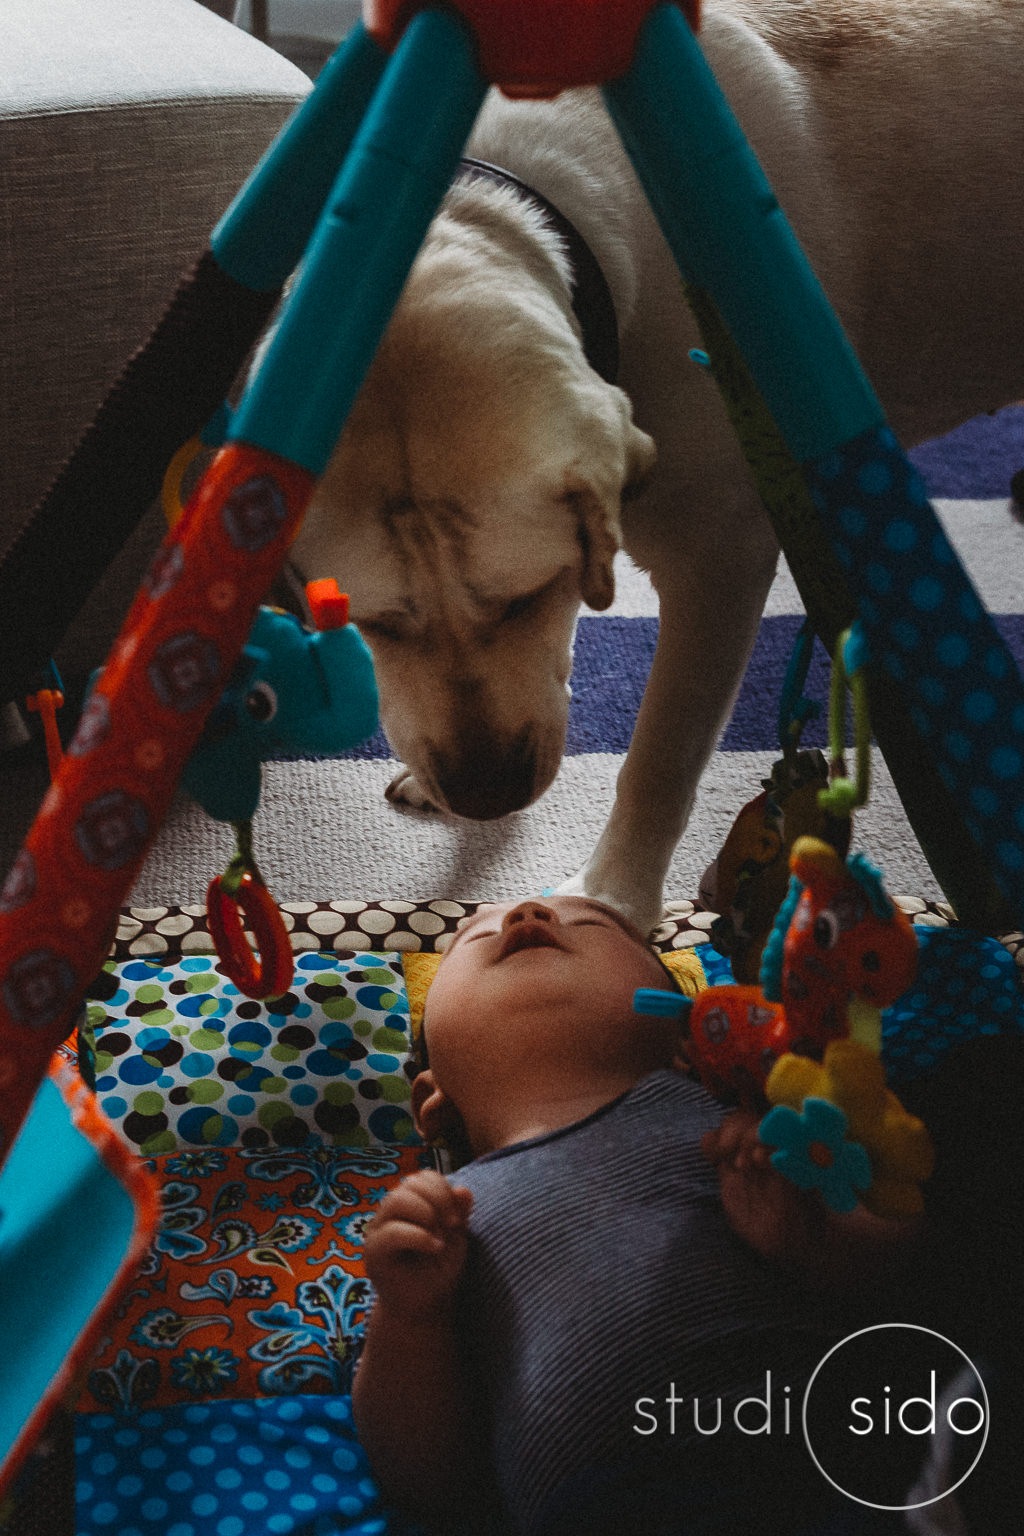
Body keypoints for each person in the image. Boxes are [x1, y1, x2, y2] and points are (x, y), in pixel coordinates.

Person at [352, 897, 932, 1536]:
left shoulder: (747, 1132)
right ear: (432, 1098)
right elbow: (429, 1479)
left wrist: (815, 1240)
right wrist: (409, 1317)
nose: (525, 916)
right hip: (615, 1501)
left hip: (840, 1450)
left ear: (688, 1041)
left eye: (592, 923)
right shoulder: (448, 1221)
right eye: (475, 938)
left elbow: (907, 1280)